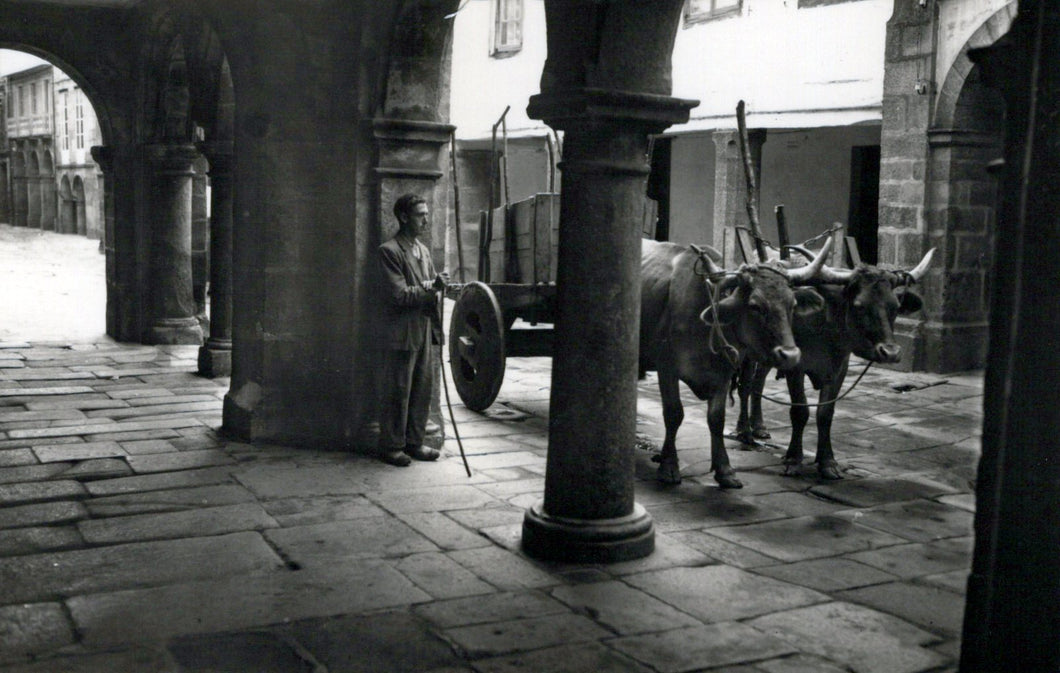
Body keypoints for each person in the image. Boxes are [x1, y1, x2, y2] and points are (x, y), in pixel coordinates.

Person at [376, 193, 448, 466]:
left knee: (421, 389)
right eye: (420, 215)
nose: (426, 220)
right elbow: (399, 295)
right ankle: (391, 446)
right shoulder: (390, 251)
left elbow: (427, 286)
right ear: (404, 217)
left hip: (423, 328)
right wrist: (432, 287)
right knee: (399, 390)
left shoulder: (423, 250)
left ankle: (415, 443)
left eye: (428, 214)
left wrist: (437, 284)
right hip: (401, 332)